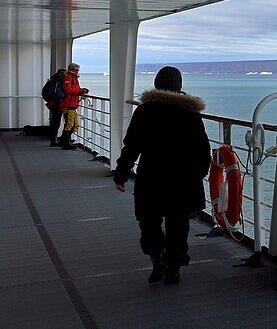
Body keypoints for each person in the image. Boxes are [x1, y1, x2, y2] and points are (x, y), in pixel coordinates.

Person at [113, 67, 211, 285]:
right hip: (183, 179)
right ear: (179, 86)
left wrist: (121, 174)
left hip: (152, 176)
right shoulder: (190, 114)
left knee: (149, 220)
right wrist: (200, 174)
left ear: (157, 84)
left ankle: (158, 257)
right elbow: (203, 150)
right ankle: (174, 267)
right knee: (178, 223)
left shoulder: (145, 111)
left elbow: (131, 147)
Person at [58, 62, 89, 150]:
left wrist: (81, 90)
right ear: (73, 70)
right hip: (68, 104)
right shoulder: (68, 77)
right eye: (77, 70)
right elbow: (68, 90)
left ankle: (64, 142)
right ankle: (65, 143)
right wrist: (80, 91)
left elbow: (73, 89)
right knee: (70, 124)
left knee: (74, 124)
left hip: (72, 104)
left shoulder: (73, 78)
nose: (78, 71)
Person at [42, 68, 67, 146]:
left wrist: (50, 101)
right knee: (65, 121)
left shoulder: (51, 81)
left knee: (55, 121)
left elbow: (44, 93)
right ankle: (61, 140)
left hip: (54, 103)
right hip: (59, 103)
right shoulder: (60, 82)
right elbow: (61, 93)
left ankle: (54, 139)